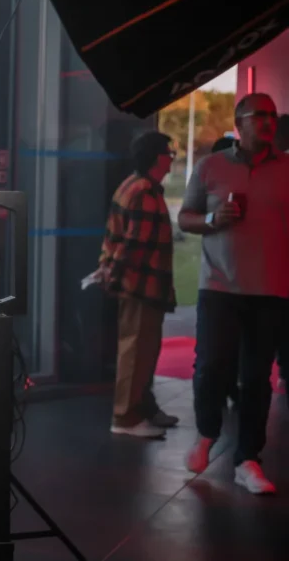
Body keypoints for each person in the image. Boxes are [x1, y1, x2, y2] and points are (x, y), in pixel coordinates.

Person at [179, 93, 289, 495]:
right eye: (259, 115)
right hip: (219, 286)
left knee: (257, 379)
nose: (268, 122)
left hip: (272, 289)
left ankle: (248, 460)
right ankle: (207, 432)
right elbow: (185, 218)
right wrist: (212, 218)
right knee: (211, 366)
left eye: (272, 116)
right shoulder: (210, 167)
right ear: (239, 122)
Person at [97, 132, 178, 439]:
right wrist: (116, 274)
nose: (172, 159)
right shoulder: (144, 192)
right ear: (157, 157)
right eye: (169, 153)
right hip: (142, 286)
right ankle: (126, 417)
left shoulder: (134, 185)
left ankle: (141, 409)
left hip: (139, 285)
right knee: (136, 353)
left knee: (141, 351)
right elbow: (133, 244)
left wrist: (109, 272)